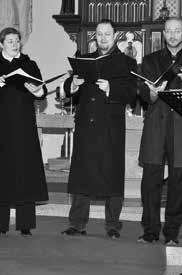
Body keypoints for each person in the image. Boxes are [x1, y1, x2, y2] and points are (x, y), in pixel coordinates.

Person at [60, 19, 137, 239]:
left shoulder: (126, 63)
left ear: (115, 36)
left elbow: (133, 93)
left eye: (107, 34)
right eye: (99, 34)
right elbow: (69, 88)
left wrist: (111, 88)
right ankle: (77, 223)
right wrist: (72, 85)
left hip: (111, 127)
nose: (103, 38)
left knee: (112, 176)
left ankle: (113, 225)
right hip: (86, 125)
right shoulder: (84, 59)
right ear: (95, 36)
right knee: (82, 174)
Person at [137, 17, 182, 244]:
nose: (173, 35)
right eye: (169, 31)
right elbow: (142, 95)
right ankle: (150, 231)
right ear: (164, 33)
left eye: (177, 31)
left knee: (178, 183)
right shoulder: (150, 60)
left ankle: (171, 233)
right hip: (156, 127)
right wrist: (153, 93)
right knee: (150, 181)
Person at [0, 27, 48, 237]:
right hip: (2, 126)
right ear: (1, 44)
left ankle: (25, 224)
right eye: (10, 41)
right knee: (1, 172)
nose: (14, 44)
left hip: (25, 126)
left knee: (25, 172)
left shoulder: (29, 64)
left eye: (17, 40)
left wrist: (39, 90)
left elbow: (41, 91)